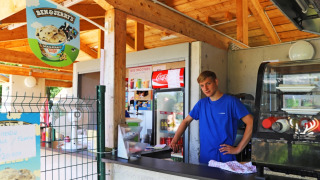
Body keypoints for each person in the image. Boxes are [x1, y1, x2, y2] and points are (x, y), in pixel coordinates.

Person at [169, 71, 253, 164]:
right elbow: (186, 122)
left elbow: (251, 122)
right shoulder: (201, 104)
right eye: (202, 85)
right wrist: (175, 140)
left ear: (216, 82)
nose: (205, 88)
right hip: (205, 159)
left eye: (208, 83)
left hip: (225, 160)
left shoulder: (231, 102)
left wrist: (238, 149)